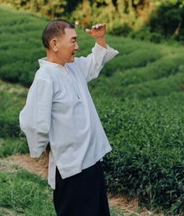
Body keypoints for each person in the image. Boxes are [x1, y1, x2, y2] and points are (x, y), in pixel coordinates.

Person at [19, 19, 119, 216]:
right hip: (72, 166)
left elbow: (94, 63)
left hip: (91, 159)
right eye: (73, 41)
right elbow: (33, 123)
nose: (77, 46)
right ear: (54, 44)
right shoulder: (45, 78)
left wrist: (100, 39)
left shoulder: (73, 67)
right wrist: (45, 150)